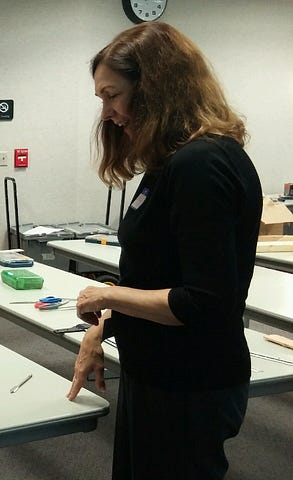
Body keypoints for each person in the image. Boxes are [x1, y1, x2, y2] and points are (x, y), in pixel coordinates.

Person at [66, 22, 262, 480]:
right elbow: (158, 274)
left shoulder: (201, 165)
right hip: (158, 373)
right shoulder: (173, 162)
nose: (108, 113)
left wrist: (108, 298)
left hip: (190, 383)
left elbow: (203, 301)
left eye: (112, 95)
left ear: (154, 87)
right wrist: (106, 329)